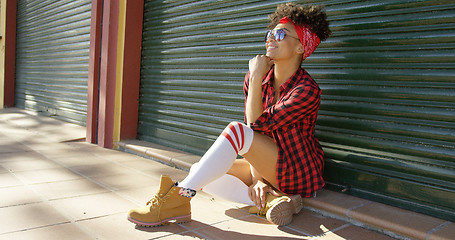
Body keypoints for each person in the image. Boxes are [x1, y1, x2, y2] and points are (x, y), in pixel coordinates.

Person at [127, 2, 331, 227]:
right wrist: (258, 180)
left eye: (281, 34)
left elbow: (251, 128)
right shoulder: (258, 79)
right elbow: (252, 139)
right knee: (201, 172)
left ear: (301, 47)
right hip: (271, 165)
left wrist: (254, 77)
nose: (271, 38)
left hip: (298, 169)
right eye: (269, 33)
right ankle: (273, 201)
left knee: (235, 132)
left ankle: (177, 198)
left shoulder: (306, 90)